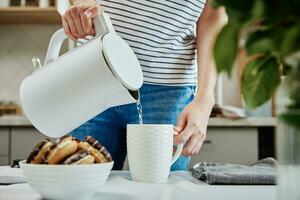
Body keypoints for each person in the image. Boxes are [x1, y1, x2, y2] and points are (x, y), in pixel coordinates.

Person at [63, 0, 227, 170]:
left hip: (167, 90)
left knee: (162, 192)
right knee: (82, 188)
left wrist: (205, 100)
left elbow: (213, 16)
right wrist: (83, 6)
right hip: (93, 76)